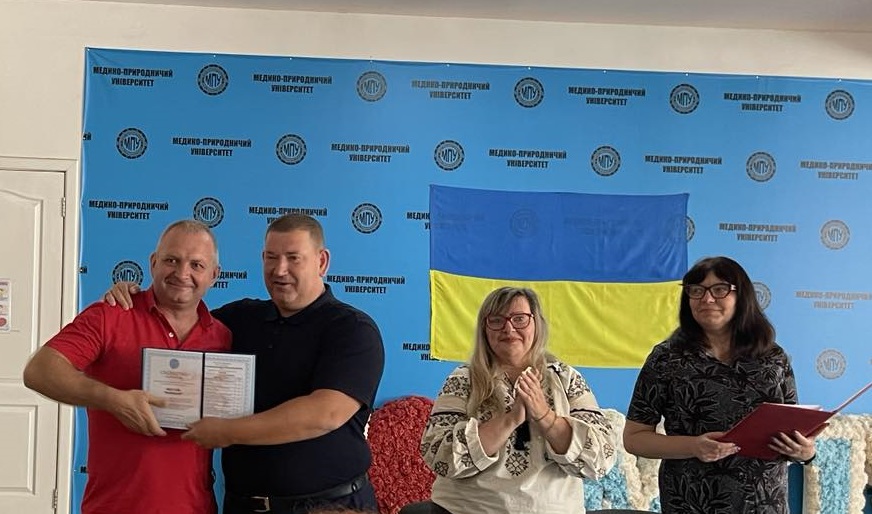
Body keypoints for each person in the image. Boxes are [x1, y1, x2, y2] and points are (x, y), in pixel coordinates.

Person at [105, 213, 386, 514]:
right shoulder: (238, 319)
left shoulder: (352, 329)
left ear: (322, 262)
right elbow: (174, 322)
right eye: (271, 257)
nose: (280, 269)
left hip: (330, 506)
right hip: (242, 505)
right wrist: (131, 301)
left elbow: (325, 413)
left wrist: (228, 431)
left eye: (293, 258)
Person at [22, 219, 231, 514]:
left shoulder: (222, 336)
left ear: (214, 275)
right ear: (153, 263)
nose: (182, 273)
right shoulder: (111, 315)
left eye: (196, 265)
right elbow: (40, 370)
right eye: (171, 260)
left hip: (195, 507)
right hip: (115, 506)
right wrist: (114, 400)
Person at [623, 256, 817, 514]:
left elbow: (793, 431)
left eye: (719, 289)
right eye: (696, 290)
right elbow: (634, 439)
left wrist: (805, 452)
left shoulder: (774, 357)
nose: (707, 299)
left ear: (742, 296)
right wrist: (693, 446)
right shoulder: (666, 358)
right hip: (691, 502)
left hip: (763, 503)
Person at [414, 286, 616, 514]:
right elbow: (438, 454)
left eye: (519, 319)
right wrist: (510, 420)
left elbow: (602, 458)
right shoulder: (463, 379)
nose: (508, 328)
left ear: (536, 324)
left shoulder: (566, 378)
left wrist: (545, 416)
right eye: (497, 320)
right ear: (484, 329)